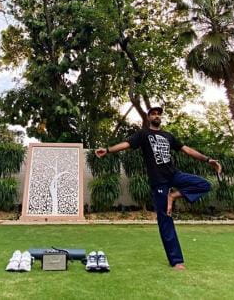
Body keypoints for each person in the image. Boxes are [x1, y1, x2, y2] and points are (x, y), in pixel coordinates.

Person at [95, 106, 221, 271]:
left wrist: (208, 159)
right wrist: (108, 150)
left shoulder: (168, 136)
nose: (156, 116)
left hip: (174, 174)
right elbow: (127, 143)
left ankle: (173, 196)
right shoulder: (143, 134)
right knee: (165, 220)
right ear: (148, 118)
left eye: (158, 114)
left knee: (204, 184)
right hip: (159, 182)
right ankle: (176, 261)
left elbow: (186, 149)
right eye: (153, 114)